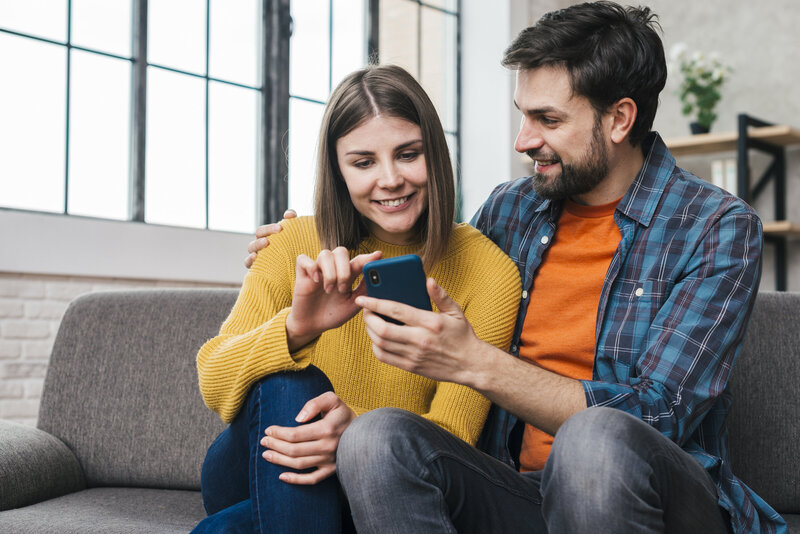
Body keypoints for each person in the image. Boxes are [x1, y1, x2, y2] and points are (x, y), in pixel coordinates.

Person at [248, 3, 786, 533]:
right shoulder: (510, 210)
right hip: (516, 491)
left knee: (593, 438)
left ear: (620, 118)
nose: (523, 140)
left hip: (657, 496)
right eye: (523, 115)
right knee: (374, 438)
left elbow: (660, 415)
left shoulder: (715, 227)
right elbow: (413, 241)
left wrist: (474, 362)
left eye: (548, 119)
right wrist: (302, 239)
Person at [192, 64, 521, 533]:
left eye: (408, 154)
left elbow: (454, 438)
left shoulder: (488, 272)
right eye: (364, 162)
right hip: (250, 465)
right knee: (294, 385)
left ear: (436, 153)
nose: (390, 180)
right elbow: (214, 381)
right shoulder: (293, 242)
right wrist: (298, 328)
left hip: (380, 479)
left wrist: (353, 432)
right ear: (338, 170)